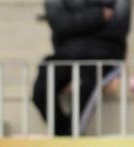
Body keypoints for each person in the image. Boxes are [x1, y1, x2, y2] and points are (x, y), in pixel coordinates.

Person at [33, 1, 128, 136]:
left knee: (87, 85)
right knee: (41, 89)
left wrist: (74, 22)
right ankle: (66, 138)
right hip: (66, 53)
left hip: (103, 54)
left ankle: (69, 139)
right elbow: (60, 24)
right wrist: (99, 15)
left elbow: (118, 25)